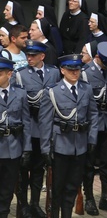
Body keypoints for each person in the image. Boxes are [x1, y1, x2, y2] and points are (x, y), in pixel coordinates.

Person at [38, 53, 98, 218]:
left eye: (77, 69)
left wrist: (92, 139)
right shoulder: (52, 92)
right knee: (57, 188)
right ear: (62, 70)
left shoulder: (86, 89)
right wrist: (45, 148)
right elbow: (45, 123)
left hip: (80, 146)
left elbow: (93, 115)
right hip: (60, 146)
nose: (75, 73)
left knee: (72, 186)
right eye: (71, 70)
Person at [13, 40, 57, 218]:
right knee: (23, 168)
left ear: (42, 56)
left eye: (33, 55)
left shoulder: (53, 73)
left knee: (39, 168)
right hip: (27, 127)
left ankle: (35, 203)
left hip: (44, 129)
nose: (29, 58)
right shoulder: (20, 74)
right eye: (27, 55)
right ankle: (23, 204)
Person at [80, 42, 107, 216]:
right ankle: (88, 197)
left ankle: (105, 197)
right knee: (89, 163)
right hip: (92, 123)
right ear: (98, 57)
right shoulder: (85, 72)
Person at [0, 56, 31, 218]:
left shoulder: (20, 94)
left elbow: (26, 122)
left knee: (7, 189)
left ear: (9, 74)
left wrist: (27, 148)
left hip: (13, 149)